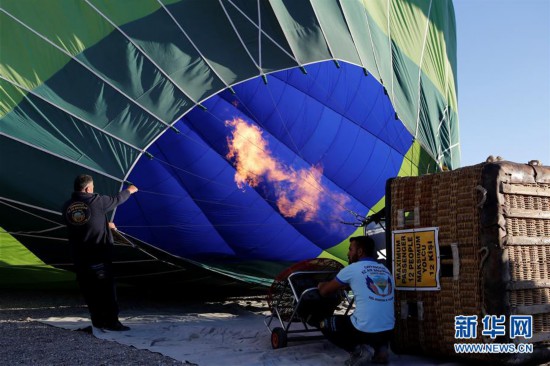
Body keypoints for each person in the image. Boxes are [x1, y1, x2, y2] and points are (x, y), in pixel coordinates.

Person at [63, 174, 138, 331]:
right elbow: (117, 199)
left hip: (79, 257)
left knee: (89, 290)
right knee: (106, 290)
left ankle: (97, 321)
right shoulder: (96, 201)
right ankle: (112, 322)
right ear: (88, 188)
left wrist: (104, 224)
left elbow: (83, 223)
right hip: (98, 255)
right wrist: (130, 190)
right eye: (93, 188)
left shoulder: (67, 207)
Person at [317, 236, 394, 365]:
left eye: (350, 249)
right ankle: (381, 351)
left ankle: (358, 352)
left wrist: (321, 285)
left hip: (365, 330)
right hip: (388, 330)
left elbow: (325, 292)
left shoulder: (351, 269)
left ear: (360, 252)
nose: (348, 253)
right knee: (369, 316)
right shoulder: (384, 269)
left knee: (325, 323)